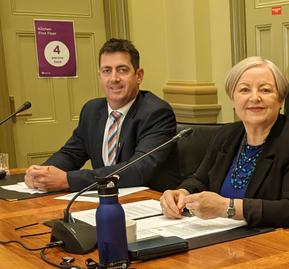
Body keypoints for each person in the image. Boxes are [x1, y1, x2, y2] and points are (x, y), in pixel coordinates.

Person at [159, 57, 289, 237]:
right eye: (244, 90)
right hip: (229, 238)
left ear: (280, 100)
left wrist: (227, 207)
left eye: (265, 90)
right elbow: (200, 179)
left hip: (284, 242)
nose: (254, 98)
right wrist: (181, 192)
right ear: (233, 99)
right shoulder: (227, 136)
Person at [25, 38, 179, 192]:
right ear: (100, 76)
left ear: (139, 75)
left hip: (149, 201)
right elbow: (71, 154)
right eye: (107, 71)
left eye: (122, 70)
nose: (114, 78)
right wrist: (41, 173)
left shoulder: (156, 112)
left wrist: (68, 180)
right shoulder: (92, 110)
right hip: (106, 198)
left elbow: (138, 169)